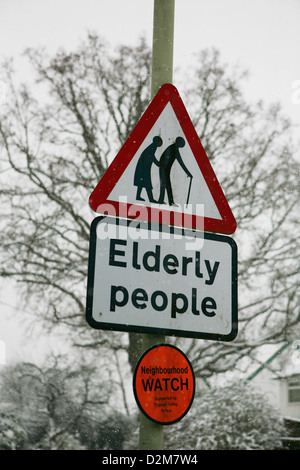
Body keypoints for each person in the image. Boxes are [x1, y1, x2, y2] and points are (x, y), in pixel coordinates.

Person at [158, 137, 192, 205]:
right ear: (179, 143)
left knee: (167, 185)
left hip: (165, 169)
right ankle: (163, 201)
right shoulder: (173, 149)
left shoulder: (173, 148)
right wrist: (188, 173)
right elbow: (181, 162)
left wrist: (188, 173)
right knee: (164, 184)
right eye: (181, 144)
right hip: (164, 169)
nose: (181, 146)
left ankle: (168, 202)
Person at [134, 136, 162, 203]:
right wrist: (158, 164)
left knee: (142, 182)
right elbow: (152, 156)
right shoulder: (153, 147)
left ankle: (139, 196)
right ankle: (151, 199)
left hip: (143, 167)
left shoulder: (152, 146)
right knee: (147, 183)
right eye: (159, 142)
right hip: (144, 167)